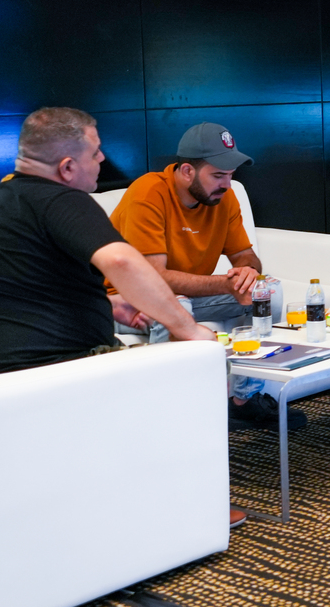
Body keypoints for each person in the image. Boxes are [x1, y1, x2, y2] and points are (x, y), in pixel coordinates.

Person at [0, 108, 249, 528]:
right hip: (57, 368)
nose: (103, 159)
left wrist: (109, 307)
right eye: (96, 152)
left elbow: (23, 291)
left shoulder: (2, 199)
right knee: (187, 375)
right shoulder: (62, 199)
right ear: (68, 167)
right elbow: (123, 261)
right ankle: (193, 505)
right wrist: (188, 329)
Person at [109, 122, 296, 432]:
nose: (227, 184)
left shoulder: (223, 198)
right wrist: (226, 284)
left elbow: (246, 256)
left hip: (187, 295)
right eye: (218, 175)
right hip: (126, 300)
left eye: (231, 175)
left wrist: (248, 273)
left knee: (267, 291)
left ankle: (244, 400)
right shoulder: (148, 193)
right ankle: (167, 416)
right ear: (187, 172)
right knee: (176, 305)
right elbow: (154, 280)